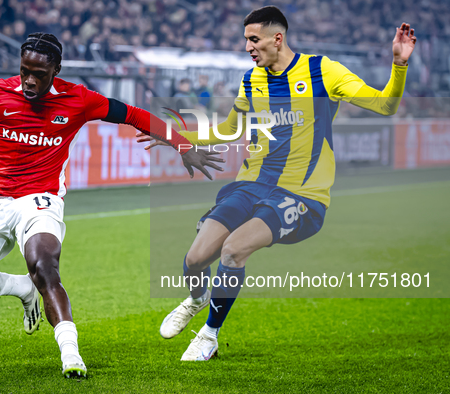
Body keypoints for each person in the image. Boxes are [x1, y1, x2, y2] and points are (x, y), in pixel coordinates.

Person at [137, 6, 416, 361]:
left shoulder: (322, 71)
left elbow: (386, 105)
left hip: (301, 194)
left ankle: (209, 333)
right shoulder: (251, 80)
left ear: (277, 38)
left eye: (253, 39)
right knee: (194, 260)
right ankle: (195, 297)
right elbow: (228, 129)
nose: (248, 47)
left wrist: (399, 65)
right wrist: (180, 137)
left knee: (234, 250)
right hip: (250, 185)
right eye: (246, 41)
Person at [0, 33, 222, 378]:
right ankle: (22, 288)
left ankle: (70, 355)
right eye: (25, 70)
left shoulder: (79, 99)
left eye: (39, 73)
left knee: (44, 265)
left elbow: (133, 114)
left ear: (56, 69)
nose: (29, 80)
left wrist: (181, 144)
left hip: (40, 200)